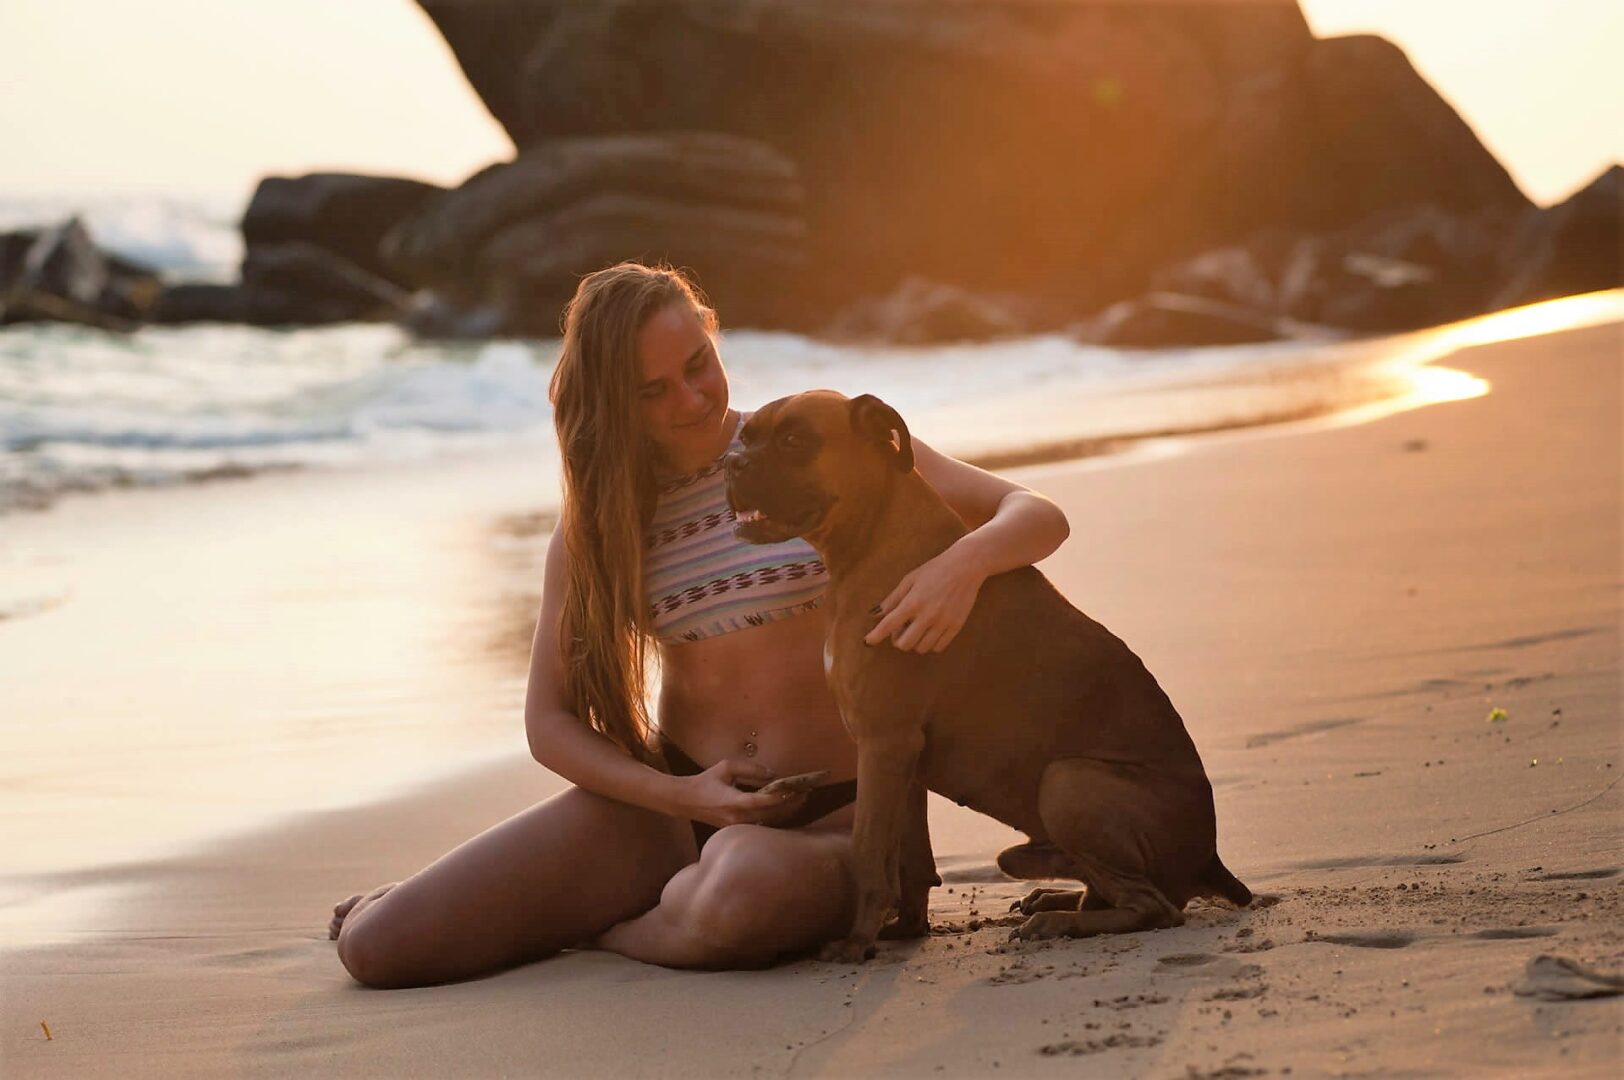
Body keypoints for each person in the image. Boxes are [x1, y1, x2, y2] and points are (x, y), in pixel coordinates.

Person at [329, 262, 1070, 987]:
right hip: (672, 805)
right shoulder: (604, 525)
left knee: (739, 892)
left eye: (698, 365)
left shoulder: (822, 446)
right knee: (378, 949)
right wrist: (684, 798)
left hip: (843, 819)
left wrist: (959, 569)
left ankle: (608, 930)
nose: (690, 399)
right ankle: (644, 904)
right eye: (652, 391)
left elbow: (1035, 515)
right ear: (613, 404)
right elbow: (548, 722)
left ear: (714, 337)